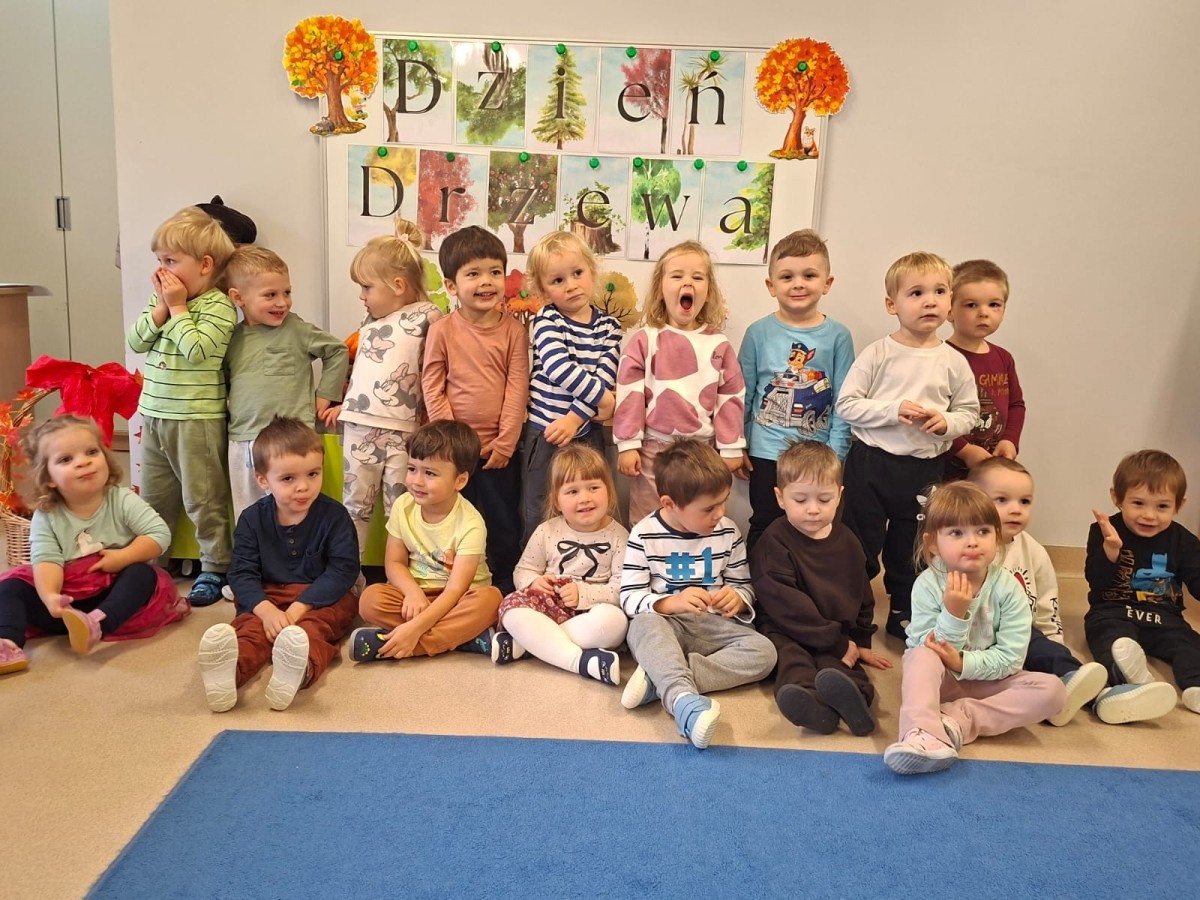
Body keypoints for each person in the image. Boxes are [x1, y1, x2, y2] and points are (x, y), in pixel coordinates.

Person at [835, 252, 980, 638]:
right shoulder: (878, 353)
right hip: (870, 464)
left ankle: (904, 608)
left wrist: (946, 423)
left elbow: (969, 412)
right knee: (858, 541)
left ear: (950, 302)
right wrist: (892, 410)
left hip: (922, 469)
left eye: (939, 292)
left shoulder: (953, 361)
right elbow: (847, 405)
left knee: (912, 546)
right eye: (916, 293)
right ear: (892, 304)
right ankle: (852, 609)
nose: (929, 301)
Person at [971, 458, 1175, 725]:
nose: (1016, 510)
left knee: (1054, 658)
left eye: (1025, 501)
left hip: (1019, 633)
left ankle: (1104, 697)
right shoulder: (966, 546)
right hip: (974, 638)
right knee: (1018, 674)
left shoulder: (1034, 551)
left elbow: (1046, 601)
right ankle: (1062, 697)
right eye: (1002, 500)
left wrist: (1054, 641)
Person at [883, 481, 1065, 775]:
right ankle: (922, 733)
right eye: (957, 533)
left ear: (998, 537)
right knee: (919, 657)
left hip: (989, 682)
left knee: (1053, 691)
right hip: (940, 681)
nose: (972, 542)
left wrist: (963, 662)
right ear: (933, 543)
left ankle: (956, 721)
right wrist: (954, 614)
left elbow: (1011, 659)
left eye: (982, 531)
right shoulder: (927, 585)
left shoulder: (1009, 589)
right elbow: (925, 648)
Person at [619, 439, 776, 750]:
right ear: (669, 504)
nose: (720, 513)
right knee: (643, 626)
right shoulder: (644, 534)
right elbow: (629, 597)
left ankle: (660, 679)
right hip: (666, 623)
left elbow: (744, 584)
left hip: (714, 626)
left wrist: (738, 598)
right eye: (709, 508)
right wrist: (670, 603)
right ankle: (684, 702)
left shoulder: (728, 531)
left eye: (723, 502)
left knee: (765, 653)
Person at [197, 418, 359, 711]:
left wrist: (300, 608)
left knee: (315, 628)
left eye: (313, 474)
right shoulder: (251, 519)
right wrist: (265, 609)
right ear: (263, 480)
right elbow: (241, 573)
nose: (303, 487)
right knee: (251, 629)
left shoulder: (335, 516)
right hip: (268, 594)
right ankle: (229, 673)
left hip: (319, 596)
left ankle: (298, 670)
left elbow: (343, 570)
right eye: (288, 479)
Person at [0, 416, 183, 674]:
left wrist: (122, 557)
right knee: (10, 587)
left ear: (105, 457)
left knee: (143, 574)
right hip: (66, 602)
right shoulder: (47, 514)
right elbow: (46, 559)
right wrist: (51, 597)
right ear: (49, 477)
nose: (83, 462)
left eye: (91, 452)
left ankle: (97, 624)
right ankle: (8, 643)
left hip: (110, 594)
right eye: (66, 459)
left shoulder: (122, 499)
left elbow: (159, 534)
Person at [125, 205, 241, 605]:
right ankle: (153, 564)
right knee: (154, 498)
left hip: (195, 419)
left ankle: (215, 566)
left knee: (203, 498)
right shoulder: (161, 302)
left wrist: (177, 308)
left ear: (205, 265)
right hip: (155, 415)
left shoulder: (218, 306)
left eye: (171, 261)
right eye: (159, 261)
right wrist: (163, 307)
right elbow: (136, 341)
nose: (162, 271)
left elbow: (198, 352)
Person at [751, 441, 892, 735]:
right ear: (780, 498)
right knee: (793, 660)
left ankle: (857, 704)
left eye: (824, 500)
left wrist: (859, 640)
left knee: (840, 667)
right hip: (785, 628)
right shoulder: (773, 542)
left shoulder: (849, 540)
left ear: (839, 496)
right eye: (800, 500)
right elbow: (785, 604)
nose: (813, 510)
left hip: (834, 629)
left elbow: (862, 593)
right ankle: (813, 708)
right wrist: (836, 640)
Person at [321, 220, 443, 557]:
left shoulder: (428, 316)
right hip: (359, 426)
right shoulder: (371, 321)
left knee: (403, 509)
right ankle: (349, 574)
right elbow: (364, 371)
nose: (361, 296)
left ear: (398, 285)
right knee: (354, 507)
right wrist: (345, 404)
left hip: (403, 432)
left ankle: (405, 572)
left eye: (366, 287)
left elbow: (437, 370)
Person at [422, 226, 528, 594]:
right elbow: (433, 384)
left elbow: (517, 388)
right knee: (455, 520)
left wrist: (506, 443)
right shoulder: (442, 330)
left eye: (495, 272)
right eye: (474, 274)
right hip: (454, 454)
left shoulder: (514, 332)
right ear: (451, 286)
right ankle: (452, 582)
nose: (486, 282)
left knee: (502, 522)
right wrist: (453, 443)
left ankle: (505, 585)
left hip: (499, 452)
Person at [613, 240, 746, 526]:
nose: (688, 282)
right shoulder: (645, 339)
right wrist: (627, 444)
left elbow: (730, 396)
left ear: (708, 292)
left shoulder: (718, 344)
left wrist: (731, 447)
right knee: (649, 518)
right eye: (677, 276)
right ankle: (648, 556)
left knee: (699, 515)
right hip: (653, 451)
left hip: (702, 452)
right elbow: (629, 392)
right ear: (661, 289)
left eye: (697, 277)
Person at [738, 229, 854, 549]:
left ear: (827, 283)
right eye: (787, 276)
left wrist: (836, 455)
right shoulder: (757, 333)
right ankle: (760, 581)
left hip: (819, 455)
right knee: (765, 522)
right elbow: (742, 393)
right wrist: (737, 444)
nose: (798, 284)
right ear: (771, 285)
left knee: (816, 527)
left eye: (809, 275)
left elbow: (844, 401)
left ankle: (808, 579)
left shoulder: (839, 336)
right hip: (766, 453)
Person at [350, 420, 503, 661]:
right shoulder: (403, 506)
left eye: (430, 473)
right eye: (412, 469)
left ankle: (397, 645)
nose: (417, 481)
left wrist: (415, 628)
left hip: (459, 598)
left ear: (460, 481)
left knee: (491, 601)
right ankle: (464, 638)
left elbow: (456, 589)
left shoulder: (471, 523)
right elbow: (394, 563)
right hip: (416, 595)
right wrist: (413, 593)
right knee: (370, 600)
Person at [224, 246, 348, 521]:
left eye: (287, 292)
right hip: (244, 438)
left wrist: (325, 395)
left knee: (297, 511)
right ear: (238, 297)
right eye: (270, 295)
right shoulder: (230, 338)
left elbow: (337, 351)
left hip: (293, 438)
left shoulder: (296, 329)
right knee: (248, 514)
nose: (282, 302)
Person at [493, 444, 628, 685]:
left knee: (616, 623)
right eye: (572, 491)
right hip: (547, 606)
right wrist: (534, 581)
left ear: (609, 491)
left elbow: (622, 588)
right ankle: (579, 662)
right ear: (556, 500)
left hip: (592, 610)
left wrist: (583, 593)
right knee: (510, 606)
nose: (585, 498)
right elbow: (523, 570)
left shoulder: (619, 536)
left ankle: (528, 644)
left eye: (593, 488)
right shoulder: (546, 531)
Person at [519, 231, 622, 544]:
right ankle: (533, 568)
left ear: (592, 270)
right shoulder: (546, 320)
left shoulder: (610, 327)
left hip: (586, 434)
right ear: (543, 289)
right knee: (539, 509)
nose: (571, 285)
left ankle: (587, 566)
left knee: (590, 509)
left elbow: (605, 374)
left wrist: (575, 418)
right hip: (546, 433)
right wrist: (604, 400)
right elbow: (559, 369)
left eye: (577, 273)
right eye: (558, 280)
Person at [1085, 450, 1200, 716]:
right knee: (1111, 641)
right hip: (1113, 612)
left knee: (1190, 646)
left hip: (1166, 618)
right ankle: (1132, 681)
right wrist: (1111, 551)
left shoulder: (1184, 541)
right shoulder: (1104, 531)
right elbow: (1096, 582)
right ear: (1117, 498)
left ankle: (1196, 686)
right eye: (1138, 503)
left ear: (1178, 505)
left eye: (1162, 507)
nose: (1149, 515)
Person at [944, 259, 1025, 481]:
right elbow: (933, 414)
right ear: (949, 310)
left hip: (992, 468)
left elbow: (1016, 405)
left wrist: (1009, 441)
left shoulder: (1003, 358)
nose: (984, 313)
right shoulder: (940, 358)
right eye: (971, 305)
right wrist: (964, 450)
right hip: (948, 471)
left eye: (994, 304)